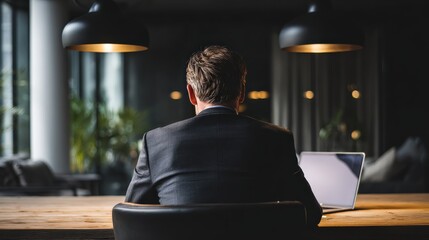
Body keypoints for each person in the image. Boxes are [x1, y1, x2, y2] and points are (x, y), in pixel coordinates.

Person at [125, 45, 322, 226]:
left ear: (191, 94)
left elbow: (131, 215)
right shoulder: (277, 139)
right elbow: (310, 213)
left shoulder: (156, 142)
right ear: (242, 92)